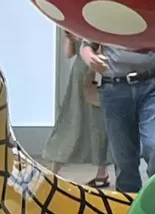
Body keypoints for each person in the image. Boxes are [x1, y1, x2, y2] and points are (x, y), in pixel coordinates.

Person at [81, 39, 155, 193]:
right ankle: (128, 202)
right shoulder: (105, 20)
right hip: (115, 85)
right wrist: (90, 58)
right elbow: (86, 45)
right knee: (123, 158)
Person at [44, 31, 113, 189]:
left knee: (99, 124)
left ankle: (101, 172)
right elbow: (69, 53)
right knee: (71, 119)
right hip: (81, 76)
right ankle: (55, 167)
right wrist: (70, 37)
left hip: (98, 73)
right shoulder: (73, 23)